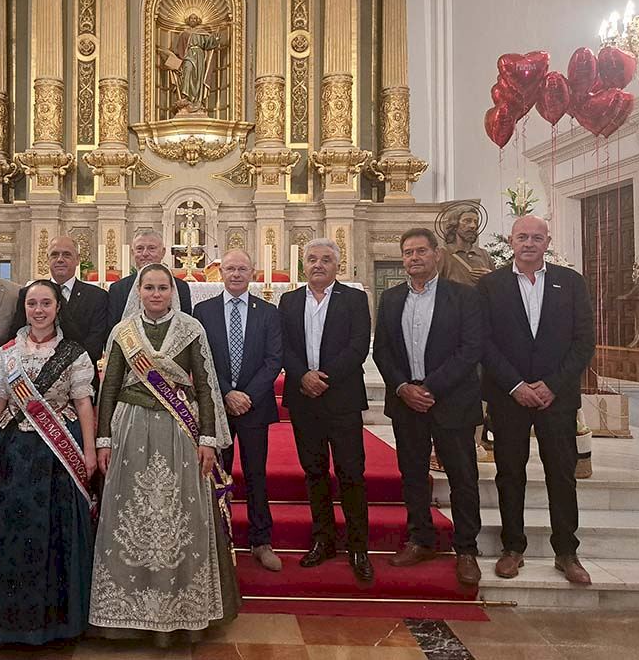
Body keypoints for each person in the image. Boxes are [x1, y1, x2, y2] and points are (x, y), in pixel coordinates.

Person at [90, 264, 239, 643]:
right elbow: (109, 389)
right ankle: (126, 615)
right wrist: (103, 439)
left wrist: (208, 438)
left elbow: (205, 387)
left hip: (180, 432)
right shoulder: (122, 332)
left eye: (162, 288)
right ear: (138, 291)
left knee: (178, 515)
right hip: (130, 427)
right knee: (132, 514)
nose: (156, 294)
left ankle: (182, 612)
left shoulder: (191, 329)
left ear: (172, 291)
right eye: (149, 288)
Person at [0, 280, 96, 645]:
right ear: (24, 308)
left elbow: (83, 403)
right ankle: (6, 620)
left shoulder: (74, 353)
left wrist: (90, 451)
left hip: (57, 453)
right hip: (12, 451)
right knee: (8, 531)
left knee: (54, 534)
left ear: (58, 308)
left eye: (46, 303)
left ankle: (55, 623)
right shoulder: (7, 352)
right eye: (32, 304)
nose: (39, 310)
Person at [478, 215, 595, 585]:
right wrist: (516, 385)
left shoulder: (571, 283)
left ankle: (567, 552)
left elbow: (583, 341)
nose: (529, 243)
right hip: (508, 397)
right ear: (511, 241)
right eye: (522, 237)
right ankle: (513, 548)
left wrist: (552, 385)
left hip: (555, 399)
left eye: (536, 237)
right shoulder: (490, 285)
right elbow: (483, 342)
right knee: (510, 473)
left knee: (561, 474)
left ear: (547, 242)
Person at [372, 228, 484, 586]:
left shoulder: (463, 296)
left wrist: (430, 387)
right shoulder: (391, 298)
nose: (414, 258)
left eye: (421, 251)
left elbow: (471, 348)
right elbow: (382, 350)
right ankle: (420, 538)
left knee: (462, 477)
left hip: (451, 400)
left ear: (437, 254)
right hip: (407, 403)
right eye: (408, 252)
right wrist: (403, 387)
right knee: (413, 474)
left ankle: (466, 548)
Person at [278, 238, 374, 583]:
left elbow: (358, 346)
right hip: (304, 399)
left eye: (325, 259)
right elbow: (282, 345)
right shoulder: (289, 300)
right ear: (304, 265)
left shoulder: (354, 299)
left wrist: (324, 378)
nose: (318, 265)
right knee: (314, 471)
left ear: (337, 265)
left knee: (351, 472)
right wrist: (302, 375)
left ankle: (358, 546)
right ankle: (324, 539)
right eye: (312, 259)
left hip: (342, 399)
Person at [193, 248, 284, 571]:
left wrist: (246, 395)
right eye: (230, 269)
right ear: (220, 273)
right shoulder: (203, 311)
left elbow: (274, 359)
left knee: (256, 473)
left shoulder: (268, 312)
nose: (235, 274)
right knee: (217, 474)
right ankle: (219, 539)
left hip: (254, 407)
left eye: (242, 269)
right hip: (217, 406)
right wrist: (227, 393)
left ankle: (261, 541)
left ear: (253, 274)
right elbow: (200, 359)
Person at [8, 235, 108, 391]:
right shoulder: (28, 294)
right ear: (47, 259)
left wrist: (56, 373)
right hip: (32, 383)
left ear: (78, 259)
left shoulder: (97, 296)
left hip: (81, 381)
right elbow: (16, 336)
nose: (60, 259)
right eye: (54, 254)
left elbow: (94, 348)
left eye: (67, 254)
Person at [107, 229, 192, 331]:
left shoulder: (181, 287)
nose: (145, 253)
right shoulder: (118, 289)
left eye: (151, 248)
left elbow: (187, 326)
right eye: (139, 249)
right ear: (133, 253)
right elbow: (113, 330)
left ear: (163, 252)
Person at [438, 204, 496, 286]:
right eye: (467, 221)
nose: (473, 226)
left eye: (475, 222)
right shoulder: (443, 254)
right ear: (455, 225)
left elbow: (497, 286)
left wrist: (490, 277)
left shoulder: (483, 254)